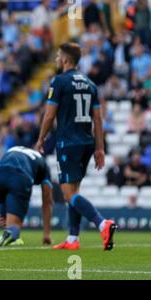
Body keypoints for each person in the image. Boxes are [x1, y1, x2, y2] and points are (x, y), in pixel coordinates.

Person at [36, 42, 117, 251]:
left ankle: (102, 223)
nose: (56, 59)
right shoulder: (91, 84)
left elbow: (49, 114)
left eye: (58, 56)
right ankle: (72, 238)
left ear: (65, 59)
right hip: (87, 142)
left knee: (69, 194)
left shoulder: (59, 82)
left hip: (68, 142)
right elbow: (97, 119)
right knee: (75, 190)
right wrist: (100, 148)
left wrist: (40, 139)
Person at [0, 146, 53, 247]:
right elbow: (47, 200)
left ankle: (9, 232)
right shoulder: (43, 163)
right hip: (20, 177)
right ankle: (11, 233)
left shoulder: (13, 150)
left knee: (5, 214)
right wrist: (47, 234)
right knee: (15, 225)